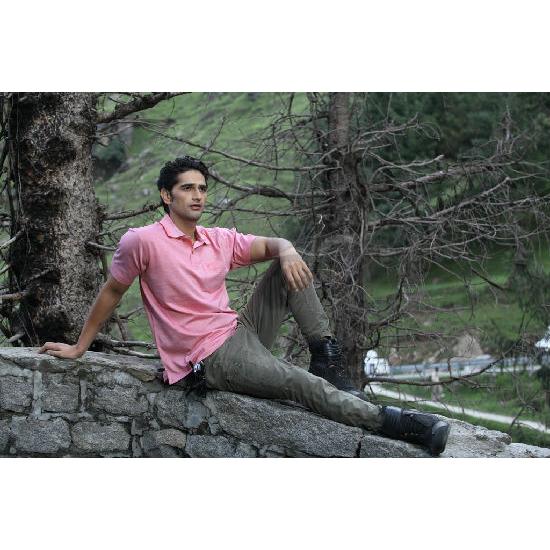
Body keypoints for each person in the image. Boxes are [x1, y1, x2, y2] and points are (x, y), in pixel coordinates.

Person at [38, 156, 450, 455]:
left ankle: (326, 357)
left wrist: (287, 248)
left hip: (240, 331)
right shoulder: (142, 241)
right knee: (300, 384)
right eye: (187, 188)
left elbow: (274, 246)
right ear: (166, 195)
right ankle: (397, 424)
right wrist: (79, 347)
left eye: (202, 188)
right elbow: (112, 290)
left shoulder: (215, 239)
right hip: (211, 357)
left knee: (287, 265)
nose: (197, 195)